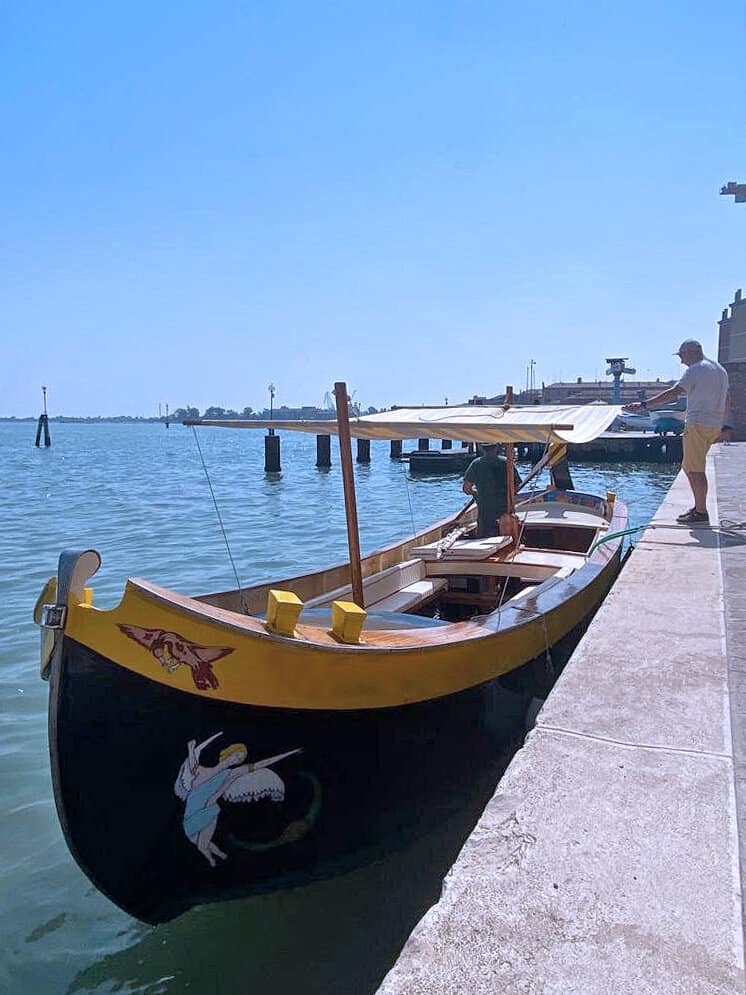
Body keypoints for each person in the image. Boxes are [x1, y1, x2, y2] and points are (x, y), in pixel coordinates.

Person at [624, 339, 730, 525]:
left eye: (681, 355)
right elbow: (727, 398)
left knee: (693, 468)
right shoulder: (719, 370)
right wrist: (721, 424)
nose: (681, 361)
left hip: (698, 423)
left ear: (692, 352)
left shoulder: (696, 369)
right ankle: (699, 507)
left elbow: (674, 392)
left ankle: (700, 511)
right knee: (695, 466)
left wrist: (643, 405)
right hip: (713, 424)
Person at [462, 443, 521, 537]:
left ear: (481, 448)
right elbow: (517, 487)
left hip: (485, 511)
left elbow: (466, 489)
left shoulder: (476, 464)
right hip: (505, 509)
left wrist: (476, 494)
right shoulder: (507, 462)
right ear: (497, 446)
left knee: (484, 537)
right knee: (507, 536)